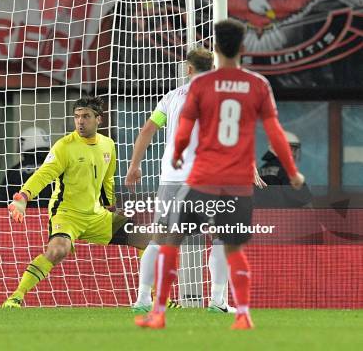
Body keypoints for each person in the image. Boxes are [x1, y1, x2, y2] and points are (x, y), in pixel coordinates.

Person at [134, 18, 304, 330]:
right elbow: (268, 132)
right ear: (243, 48)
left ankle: (154, 308)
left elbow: (179, 130)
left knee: (167, 241)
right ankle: (234, 309)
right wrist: (287, 170)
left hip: (189, 178)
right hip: (229, 179)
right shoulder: (256, 84)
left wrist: (175, 154)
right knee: (230, 243)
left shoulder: (193, 89)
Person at [126, 47, 237, 313]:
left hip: (170, 179)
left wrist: (134, 166)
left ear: (188, 69)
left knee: (158, 239)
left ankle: (143, 299)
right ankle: (218, 300)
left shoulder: (172, 98)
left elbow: (146, 130)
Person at [2, 96, 136, 308]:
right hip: (67, 214)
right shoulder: (64, 146)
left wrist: (110, 205)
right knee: (57, 251)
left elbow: (107, 180)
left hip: (95, 215)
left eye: (86, 116)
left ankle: (158, 299)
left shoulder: (108, 145)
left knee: (146, 236)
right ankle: (16, 296)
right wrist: (24, 197)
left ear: (98, 119)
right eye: (77, 117)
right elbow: (44, 174)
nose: (80, 121)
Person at [0, 127, 52, 208]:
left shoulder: (14, 171)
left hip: (22, 219)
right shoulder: (57, 167)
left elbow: (1, 202)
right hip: (54, 218)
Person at [255, 131, 313, 208]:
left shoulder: (260, 170)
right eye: (291, 149)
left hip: (263, 217)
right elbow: (304, 199)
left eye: (294, 149)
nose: (294, 153)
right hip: (285, 217)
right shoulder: (287, 170)